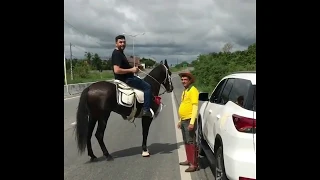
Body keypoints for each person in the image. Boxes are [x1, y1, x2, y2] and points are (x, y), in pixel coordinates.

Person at [111, 35, 152, 117]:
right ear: (116, 44)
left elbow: (124, 66)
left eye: (124, 42)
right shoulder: (117, 54)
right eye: (120, 42)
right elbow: (117, 70)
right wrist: (131, 70)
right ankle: (146, 110)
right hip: (127, 79)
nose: (122, 44)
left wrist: (134, 68)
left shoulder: (120, 53)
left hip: (127, 77)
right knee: (148, 87)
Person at [177, 71, 199, 172]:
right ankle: (189, 160)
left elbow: (195, 107)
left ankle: (193, 164)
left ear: (190, 80)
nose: (183, 81)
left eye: (185, 79)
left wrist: (192, 122)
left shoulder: (193, 90)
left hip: (190, 119)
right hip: (184, 119)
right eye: (182, 79)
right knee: (186, 141)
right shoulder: (185, 90)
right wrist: (180, 120)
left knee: (191, 141)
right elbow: (183, 105)